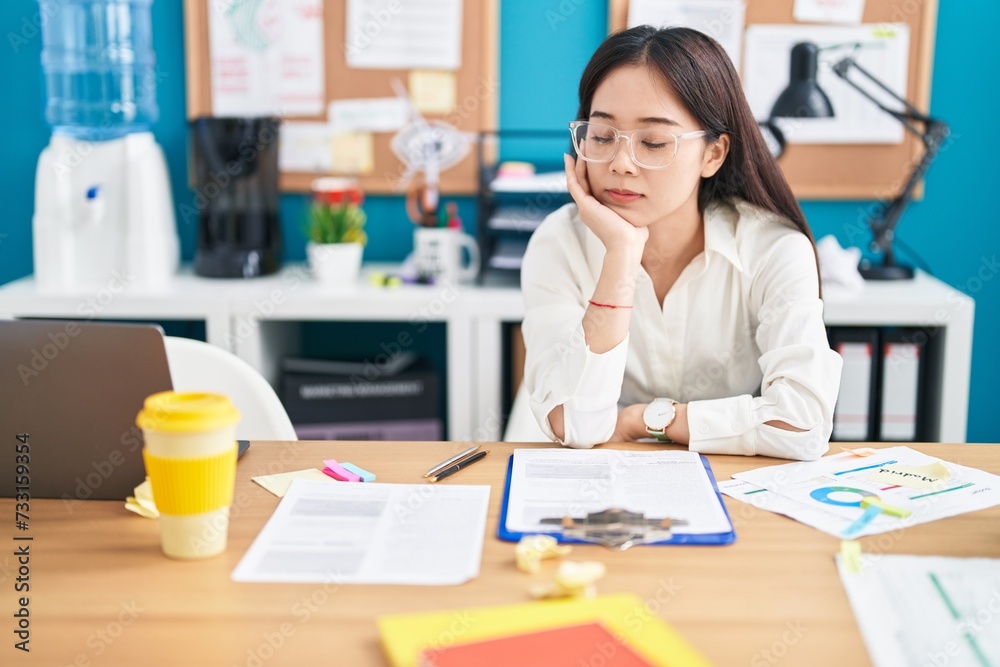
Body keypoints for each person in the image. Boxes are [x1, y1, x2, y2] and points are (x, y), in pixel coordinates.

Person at [520, 25, 843, 460]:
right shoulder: (558, 243)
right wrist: (620, 254)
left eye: (653, 142)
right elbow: (575, 425)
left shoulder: (774, 249)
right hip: (593, 470)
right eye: (600, 137)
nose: (620, 164)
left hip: (727, 476)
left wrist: (647, 421)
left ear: (713, 154)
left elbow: (802, 423)